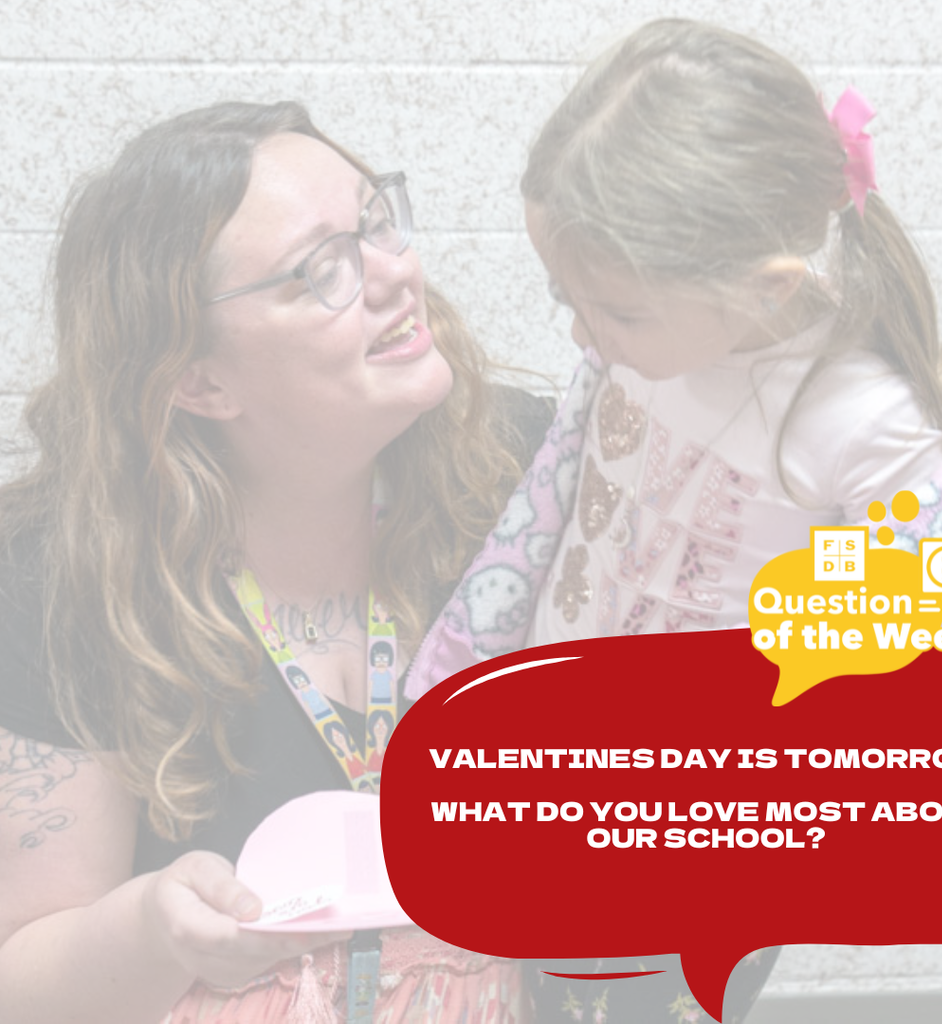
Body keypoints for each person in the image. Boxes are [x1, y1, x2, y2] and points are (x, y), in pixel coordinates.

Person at [406, 18, 942, 1023]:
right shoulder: (632, 348)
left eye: (615, 311)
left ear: (762, 285)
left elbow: (921, 664)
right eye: (566, 296)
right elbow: (540, 513)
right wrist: (447, 679)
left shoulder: (861, 424)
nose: (583, 333)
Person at [0, 100, 549, 1023]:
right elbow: (22, 980)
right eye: (317, 272)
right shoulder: (63, 573)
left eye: (375, 223)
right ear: (198, 379)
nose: (392, 275)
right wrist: (149, 932)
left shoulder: (526, 477)